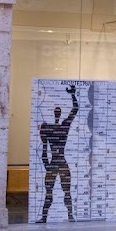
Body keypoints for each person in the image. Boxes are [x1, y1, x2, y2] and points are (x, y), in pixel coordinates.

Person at [37, 84, 79, 223]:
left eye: (58, 111)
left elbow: (75, 110)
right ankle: (45, 217)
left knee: (65, 190)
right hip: (56, 162)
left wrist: (73, 94)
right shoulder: (50, 128)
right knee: (50, 191)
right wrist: (46, 165)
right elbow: (44, 149)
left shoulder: (58, 127)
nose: (57, 113)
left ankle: (70, 216)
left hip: (58, 161)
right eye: (56, 111)